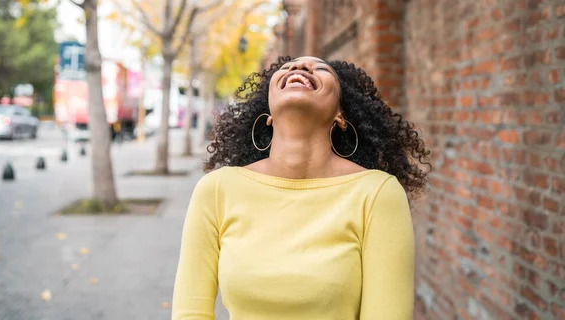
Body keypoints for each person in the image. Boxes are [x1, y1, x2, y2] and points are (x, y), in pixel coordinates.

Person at [173, 56, 431, 319]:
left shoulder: (377, 193)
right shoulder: (217, 190)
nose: (299, 67)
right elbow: (190, 313)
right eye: (287, 68)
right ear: (269, 115)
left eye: (320, 68)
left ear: (340, 115)